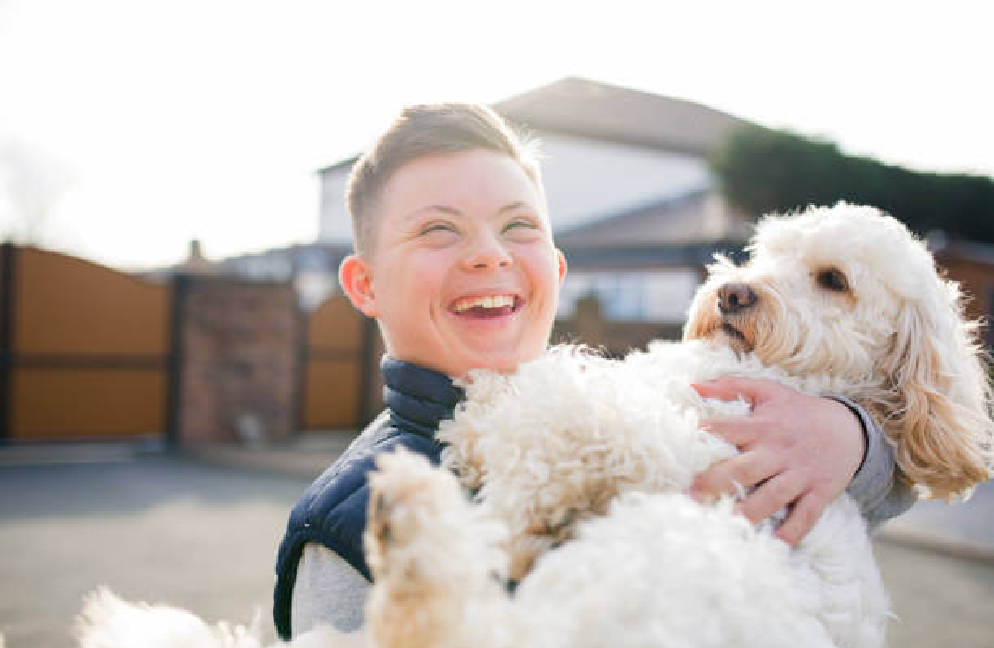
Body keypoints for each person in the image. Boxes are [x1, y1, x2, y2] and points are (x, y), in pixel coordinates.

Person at [273, 103, 913, 640]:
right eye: (439, 231)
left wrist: (850, 439)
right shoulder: (348, 526)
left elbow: (898, 478)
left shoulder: (634, 401)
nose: (489, 255)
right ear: (366, 286)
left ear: (555, 269)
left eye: (517, 226)